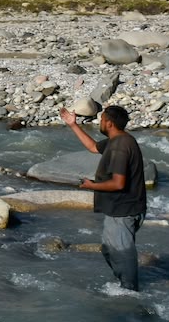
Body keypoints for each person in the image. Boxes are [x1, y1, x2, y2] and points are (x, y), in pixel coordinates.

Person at [61, 104, 147, 291]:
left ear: (109, 123)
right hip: (121, 209)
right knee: (110, 250)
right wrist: (73, 125)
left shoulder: (120, 147)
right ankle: (126, 286)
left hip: (124, 210)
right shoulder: (117, 140)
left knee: (122, 253)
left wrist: (91, 185)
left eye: (101, 120)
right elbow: (93, 147)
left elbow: (118, 183)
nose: (99, 122)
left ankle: (130, 294)